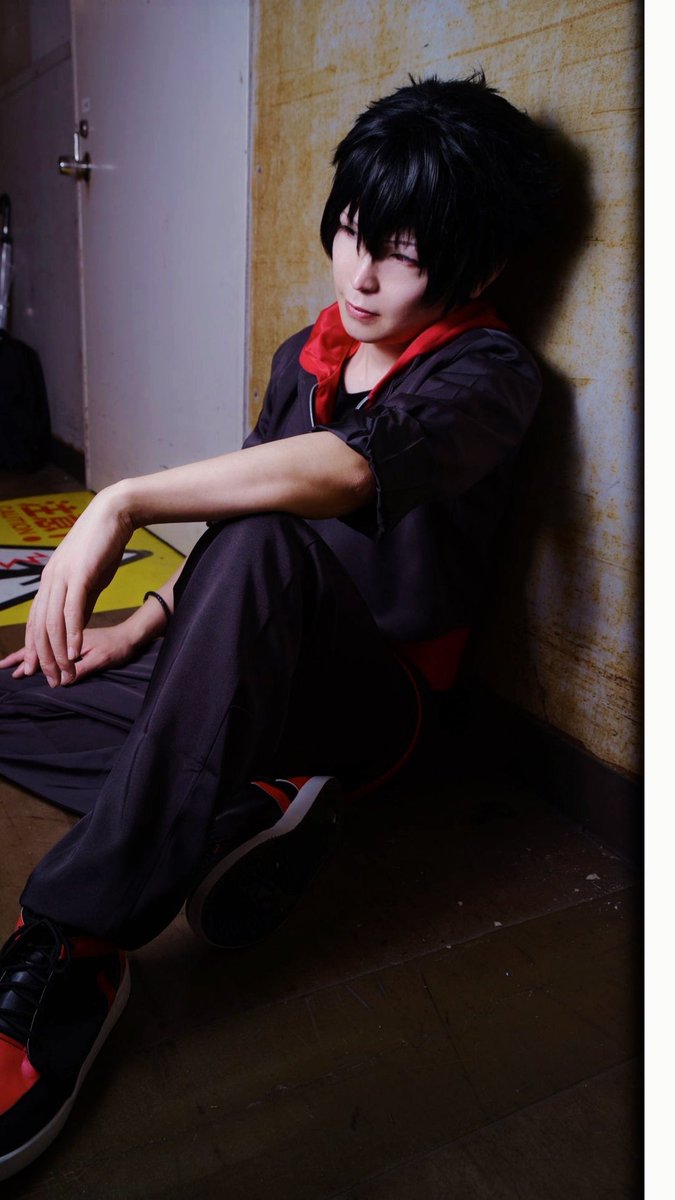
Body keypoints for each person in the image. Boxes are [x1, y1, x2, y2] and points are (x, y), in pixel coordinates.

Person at [0, 71, 555, 1179]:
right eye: (350, 230)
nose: (359, 271)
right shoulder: (305, 354)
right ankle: (236, 809)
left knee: (260, 539)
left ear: (480, 265)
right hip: (240, 676)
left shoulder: (489, 373)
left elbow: (343, 477)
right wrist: (142, 624)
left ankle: (75, 941)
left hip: (372, 706)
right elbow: (241, 526)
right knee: (20, 688)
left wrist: (121, 500)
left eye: (399, 252)